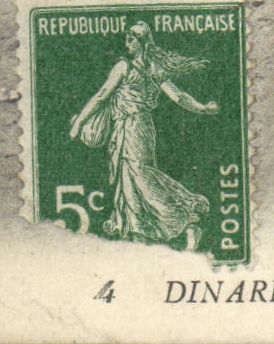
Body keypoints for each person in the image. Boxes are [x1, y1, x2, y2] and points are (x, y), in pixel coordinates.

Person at [68, 23, 218, 251]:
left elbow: (101, 96)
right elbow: (179, 97)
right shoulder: (154, 68)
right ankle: (139, 237)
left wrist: (79, 122)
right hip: (138, 128)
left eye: (131, 40)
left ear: (141, 42)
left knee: (140, 178)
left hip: (132, 128)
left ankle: (184, 221)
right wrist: (202, 108)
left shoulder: (124, 67)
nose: (127, 44)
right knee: (130, 181)